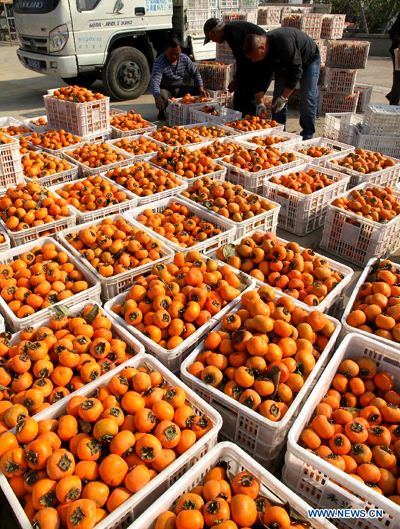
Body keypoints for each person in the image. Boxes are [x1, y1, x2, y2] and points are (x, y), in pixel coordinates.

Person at [243, 27, 321, 139]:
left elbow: (296, 73)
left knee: (308, 96)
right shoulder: (259, 54)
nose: (253, 60)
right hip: (283, 65)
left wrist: (284, 98)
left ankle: (307, 134)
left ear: (262, 48)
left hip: (309, 60)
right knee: (276, 100)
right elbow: (257, 78)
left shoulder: (284, 43)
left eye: (254, 57)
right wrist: (260, 103)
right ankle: (279, 133)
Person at [203, 18, 267, 116]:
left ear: (214, 32)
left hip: (261, 62)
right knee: (239, 97)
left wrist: (236, 80)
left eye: (211, 38)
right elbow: (241, 60)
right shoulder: (230, 32)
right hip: (252, 64)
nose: (212, 41)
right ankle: (241, 122)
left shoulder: (232, 33)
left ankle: (253, 123)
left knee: (248, 98)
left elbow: (242, 60)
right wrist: (237, 80)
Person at [150, 34, 207, 120]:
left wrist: (201, 88)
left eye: (177, 54)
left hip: (180, 88)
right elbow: (155, 81)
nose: (174, 56)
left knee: (197, 93)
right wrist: (157, 97)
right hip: (166, 89)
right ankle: (162, 111)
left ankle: (191, 112)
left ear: (181, 51)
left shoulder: (184, 59)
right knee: (161, 96)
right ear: (166, 50)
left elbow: (195, 73)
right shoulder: (159, 62)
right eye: (171, 53)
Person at [387, 13, 400, 105]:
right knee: (399, 79)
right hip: (398, 53)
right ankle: (393, 105)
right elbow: (392, 32)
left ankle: (392, 96)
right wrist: (398, 41)